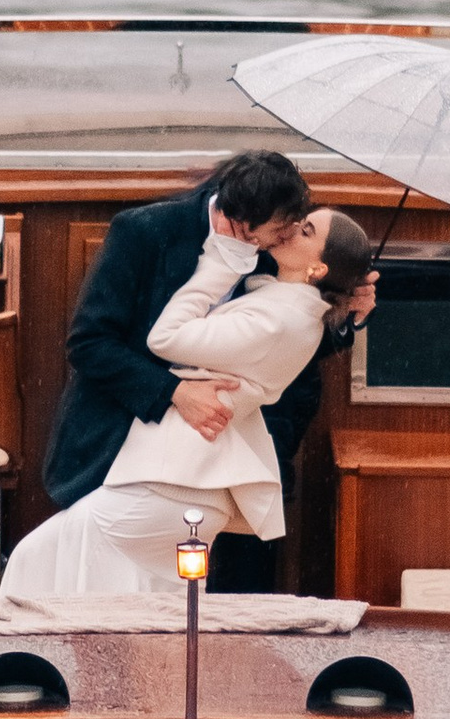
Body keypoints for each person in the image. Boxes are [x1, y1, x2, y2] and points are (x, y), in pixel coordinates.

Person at [1, 204, 378, 599]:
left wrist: (221, 263)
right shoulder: (278, 285)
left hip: (182, 471)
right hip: (183, 473)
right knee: (140, 602)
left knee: (37, 565)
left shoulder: (281, 301)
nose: (290, 229)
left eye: (305, 230)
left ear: (318, 269)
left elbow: (167, 338)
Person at [42, 149, 327, 519]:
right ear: (241, 222)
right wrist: (174, 392)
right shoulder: (144, 231)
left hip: (219, 454)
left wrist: (348, 311)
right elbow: (89, 343)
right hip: (117, 437)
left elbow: (285, 334)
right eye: (278, 231)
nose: (286, 238)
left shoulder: (274, 248)